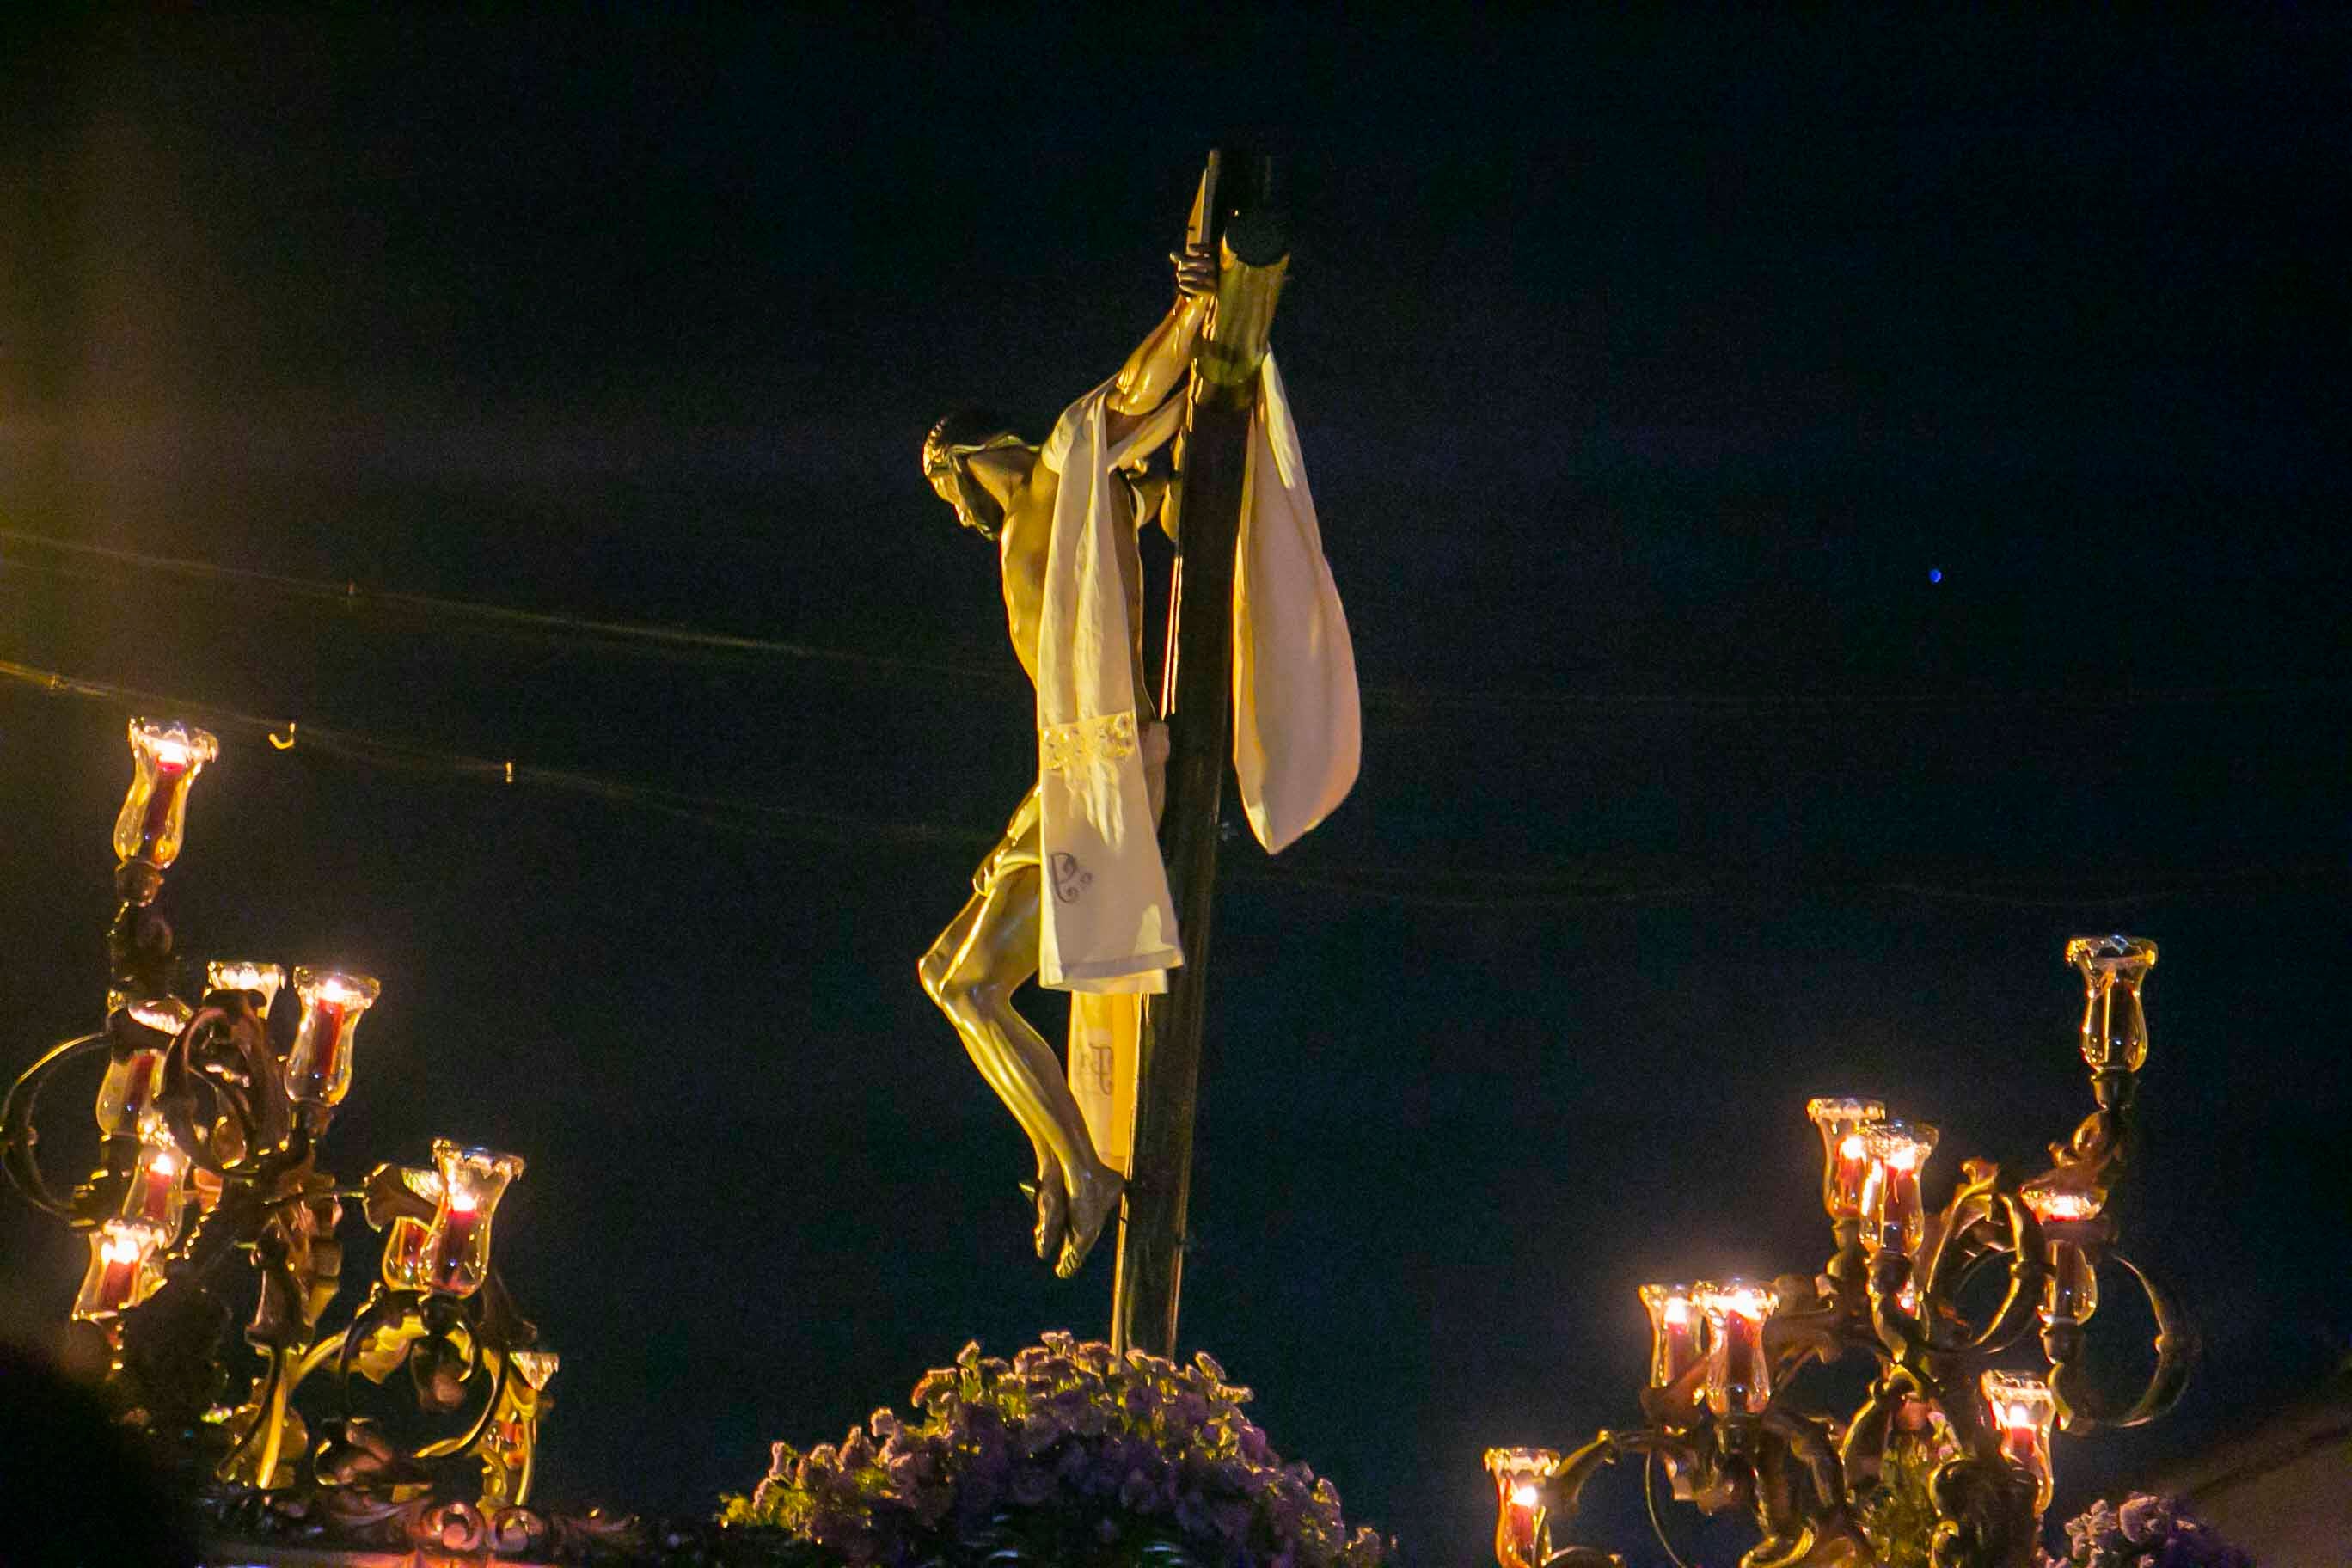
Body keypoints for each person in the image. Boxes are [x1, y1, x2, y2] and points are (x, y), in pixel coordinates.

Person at [917, 244, 1215, 1278]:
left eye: (940, 484)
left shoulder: (1054, 475)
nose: (951, 513)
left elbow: (1126, 399)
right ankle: (1061, 1156)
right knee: (947, 975)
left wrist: (1193, 311)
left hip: (1098, 771)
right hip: (1070, 776)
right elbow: (1145, 487)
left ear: (964, 458)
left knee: (964, 986)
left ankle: (1079, 1166)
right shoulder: (1086, 508)